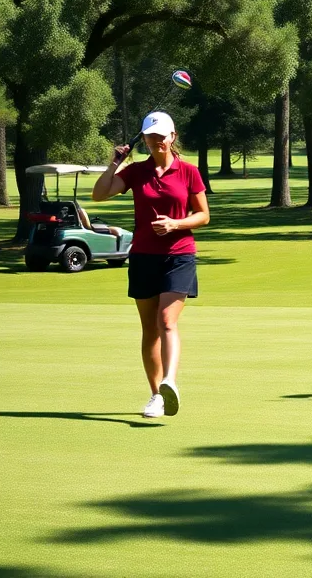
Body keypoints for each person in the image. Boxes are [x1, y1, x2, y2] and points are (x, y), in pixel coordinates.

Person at [92, 112, 209, 419]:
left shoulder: (188, 172)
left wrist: (175, 224)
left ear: (173, 136)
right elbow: (99, 194)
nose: (157, 140)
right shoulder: (136, 172)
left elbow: (203, 216)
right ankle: (156, 395)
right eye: (150, 136)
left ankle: (170, 380)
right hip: (143, 257)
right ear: (143, 139)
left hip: (179, 255)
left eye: (162, 135)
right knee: (150, 331)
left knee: (167, 320)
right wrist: (115, 162)